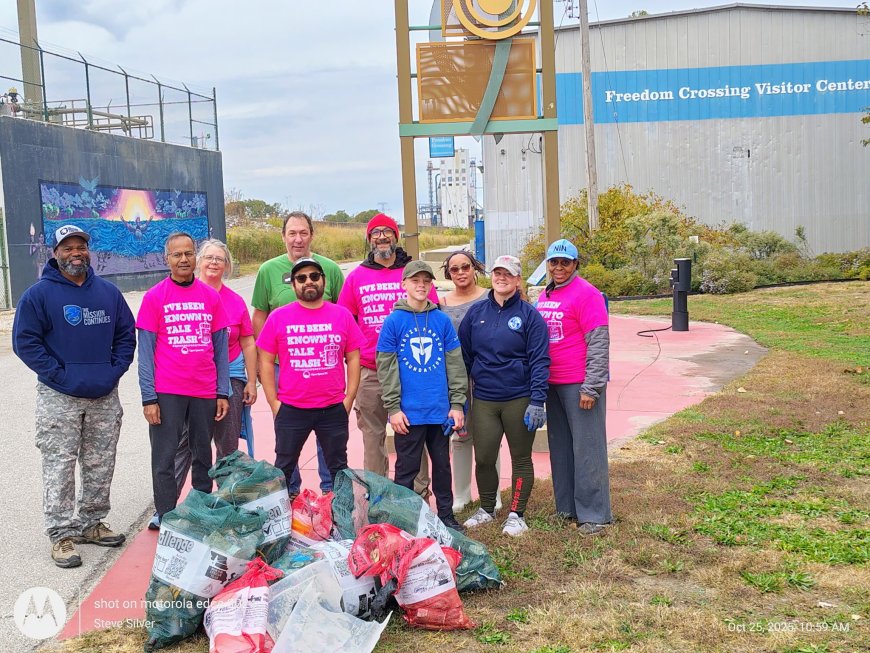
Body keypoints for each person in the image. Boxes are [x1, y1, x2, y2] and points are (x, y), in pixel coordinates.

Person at [13, 224, 136, 567]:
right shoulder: (38, 295)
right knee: (60, 465)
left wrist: (113, 371)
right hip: (59, 398)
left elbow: (126, 335)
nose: (75, 253)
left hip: (103, 394)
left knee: (100, 461)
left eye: (80, 246)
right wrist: (60, 375)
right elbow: (25, 343)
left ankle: (92, 523)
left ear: (88, 251)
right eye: (67, 248)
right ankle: (62, 535)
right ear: (55, 254)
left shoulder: (108, 293)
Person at [338, 214, 439, 491]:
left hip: (412, 370)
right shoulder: (356, 277)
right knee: (372, 438)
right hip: (371, 370)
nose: (381, 237)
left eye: (387, 232)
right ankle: (378, 498)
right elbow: (346, 322)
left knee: (414, 435)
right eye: (375, 233)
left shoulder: (413, 273)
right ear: (369, 239)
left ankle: (419, 498)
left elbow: (433, 311)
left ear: (396, 237)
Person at [137, 232, 230, 529]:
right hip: (167, 392)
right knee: (164, 458)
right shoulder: (154, 298)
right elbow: (146, 353)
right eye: (177, 255)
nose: (184, 259)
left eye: (189, 253)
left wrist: (222, 392)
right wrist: (149, 397)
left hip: (203, 390)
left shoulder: (211, 297)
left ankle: (200, 511)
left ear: (196, 258)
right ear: (167, 259)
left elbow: (220, 349)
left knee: (202, 455)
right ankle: (166, 515)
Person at [459, 255, 550, 536]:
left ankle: (516, 513)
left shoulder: (529, 316)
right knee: (484, 457)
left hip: (519, 398)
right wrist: (461, 398)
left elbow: (540, 360)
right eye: (497, 273)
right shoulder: (476, 314)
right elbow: (463, 355)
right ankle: (487, 508)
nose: (501, 278)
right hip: (485, 398)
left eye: (508, 274)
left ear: (517, 280)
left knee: (521, 457)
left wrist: (537, 400)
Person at [251, 211, 341, 494]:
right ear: (283, 237)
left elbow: (343, 314)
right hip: (282, 368)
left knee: (329, 437)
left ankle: (330, 492)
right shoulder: (268, 270)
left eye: (303, 233)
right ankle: (290, 493)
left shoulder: (330, 269)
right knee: (288, 438)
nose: (298, 239)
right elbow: (259, 316)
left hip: (324, 370)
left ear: (312, 235)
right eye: (292, 233)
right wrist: (260, 361)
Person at [256, 258, 364, 489]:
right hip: (292, 408)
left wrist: (349, 398)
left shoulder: (342, 315)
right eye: (301, 278)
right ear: (294, 285)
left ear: (323, 280)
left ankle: (337, 517)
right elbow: (265, 360)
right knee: (283, 468)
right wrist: (274, 402)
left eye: (314, 276)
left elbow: (354, 357)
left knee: (338, 470)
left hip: (333, 407)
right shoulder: (278, 317)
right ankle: (283, 517)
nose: (308, 282)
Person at [377, 261, 467, 532]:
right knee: (406, 469)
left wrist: (457, 403)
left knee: (442, 467)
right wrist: (393, 408)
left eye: (426, 281)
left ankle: (446, 516)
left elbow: (455, 364)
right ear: (403, 284)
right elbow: (386, 366)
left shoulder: (441, 320)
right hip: (409, 413)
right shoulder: (393, 322)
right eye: (415, 280)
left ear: (431, 285)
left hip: (439, 411)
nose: (421, 285)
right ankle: (402, 519)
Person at [536, 239, 612, 534]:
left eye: (565, 262)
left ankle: (594, 514)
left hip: (579, 384)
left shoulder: (587, 294)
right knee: (561, 447)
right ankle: (566, 507)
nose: (559, 267)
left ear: (575, 265)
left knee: (587, 448)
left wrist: (591, 386)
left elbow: (598, 342)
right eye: (554, 262)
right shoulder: (546, 293)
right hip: (553, 384)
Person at [439, 250, 501, 513]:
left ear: (474, 268)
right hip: (455, 377)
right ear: (448, 273)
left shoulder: (491, 296)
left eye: (466, 267)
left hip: (488, 375)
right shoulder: (441, 303)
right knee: (460, 436)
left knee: (489, 436)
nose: (461, 273)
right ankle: (462, 495)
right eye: (455, 269)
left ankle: (493, 493)